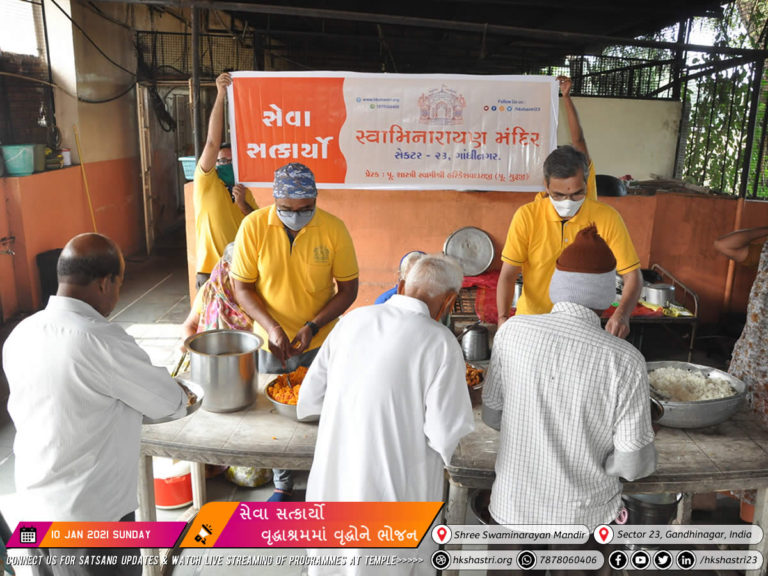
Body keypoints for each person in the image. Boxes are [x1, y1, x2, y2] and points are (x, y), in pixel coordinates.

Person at [3, 233, 186, 575]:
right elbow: (171, 402)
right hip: (91, 524)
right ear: (105, 283)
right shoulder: (99, 340)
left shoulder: (21, 334)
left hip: (33, 513)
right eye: (120, 282)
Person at [483, 225, 656, 576]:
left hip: (514, 509)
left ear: (556, 285)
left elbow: (492, 416)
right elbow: (633, 466)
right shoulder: (624, 359)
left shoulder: (512, 332)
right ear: (608, 293)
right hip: (584, 518)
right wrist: (597, 459)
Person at [297, 254, 474, 575]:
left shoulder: (351, 321)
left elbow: (308, 400)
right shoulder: (440, 342)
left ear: (402, 285)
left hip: (336, 481)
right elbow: (446, 433)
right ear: (449, 301)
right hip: (395, 492)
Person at [231, 161, 359, 501]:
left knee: (323, 406)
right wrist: (272, 327)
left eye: (305, 209)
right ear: (274, 201)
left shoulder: (333, 229)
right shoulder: (253, 226)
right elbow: (241, 286)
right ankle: (282, 483)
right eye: (287, 209)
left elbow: (348, 289)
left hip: (318, 338)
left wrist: (312, 326)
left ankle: (324, 474)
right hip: (270, 338)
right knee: (277, 413)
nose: (296, 215)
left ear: (315, 200)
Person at [496, 76, 642, 339]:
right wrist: (504, 318)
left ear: (588, 182)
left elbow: (633, 276)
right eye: (558, 195)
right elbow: (508, 275)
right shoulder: (527, 216)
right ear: (545, 186)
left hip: (583, 330)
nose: (567, 202)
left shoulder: (605, 217)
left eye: (577, 194)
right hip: (534, 323)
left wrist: (622, 314)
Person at [714, 225, 768, 513]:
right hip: (753, 362)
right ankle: (745, 522)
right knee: (743, 438)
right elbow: (724, 243)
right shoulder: (764, 252)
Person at [194, 72, 258, 288]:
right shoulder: (206, 182)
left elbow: (257, 223)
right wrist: (221, 95)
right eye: (221, 160)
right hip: (210, 271)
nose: (225, 164)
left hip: (240, 272)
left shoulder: (243, 189)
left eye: (231, 161)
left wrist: (242, 204)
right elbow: (212, 142)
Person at [182, 242, 252, 340]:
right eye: (240, 266)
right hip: (212, 351)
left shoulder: (261, 290)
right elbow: (190, 325)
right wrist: (193, 349)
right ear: (226, 266)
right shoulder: (211, 290)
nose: (247, 271)